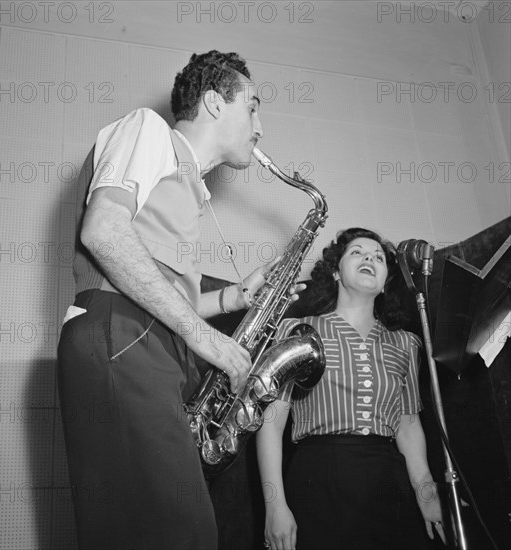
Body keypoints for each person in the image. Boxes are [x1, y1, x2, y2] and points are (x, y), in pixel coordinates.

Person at [57, 50, 277, 550]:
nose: (260, 126)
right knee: (183, 533)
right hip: (123, 335)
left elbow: (154, 289)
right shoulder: (148, 130)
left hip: (142, 337)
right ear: (216, 103)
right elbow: (105, 232)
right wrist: (208, 342)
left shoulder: (188, 186)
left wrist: (233, 299)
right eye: (253, 106)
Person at [256, 227, 447, 550]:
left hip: (388, 477)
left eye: (378, 257)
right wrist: (274, 506)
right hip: (318, 474)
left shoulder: (405, 343)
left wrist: (426, 492)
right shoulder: (299, 330)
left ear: (386, 281)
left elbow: (409, 427)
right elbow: (272, 423)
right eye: (357, 252)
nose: (369, 258)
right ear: (335, 270)